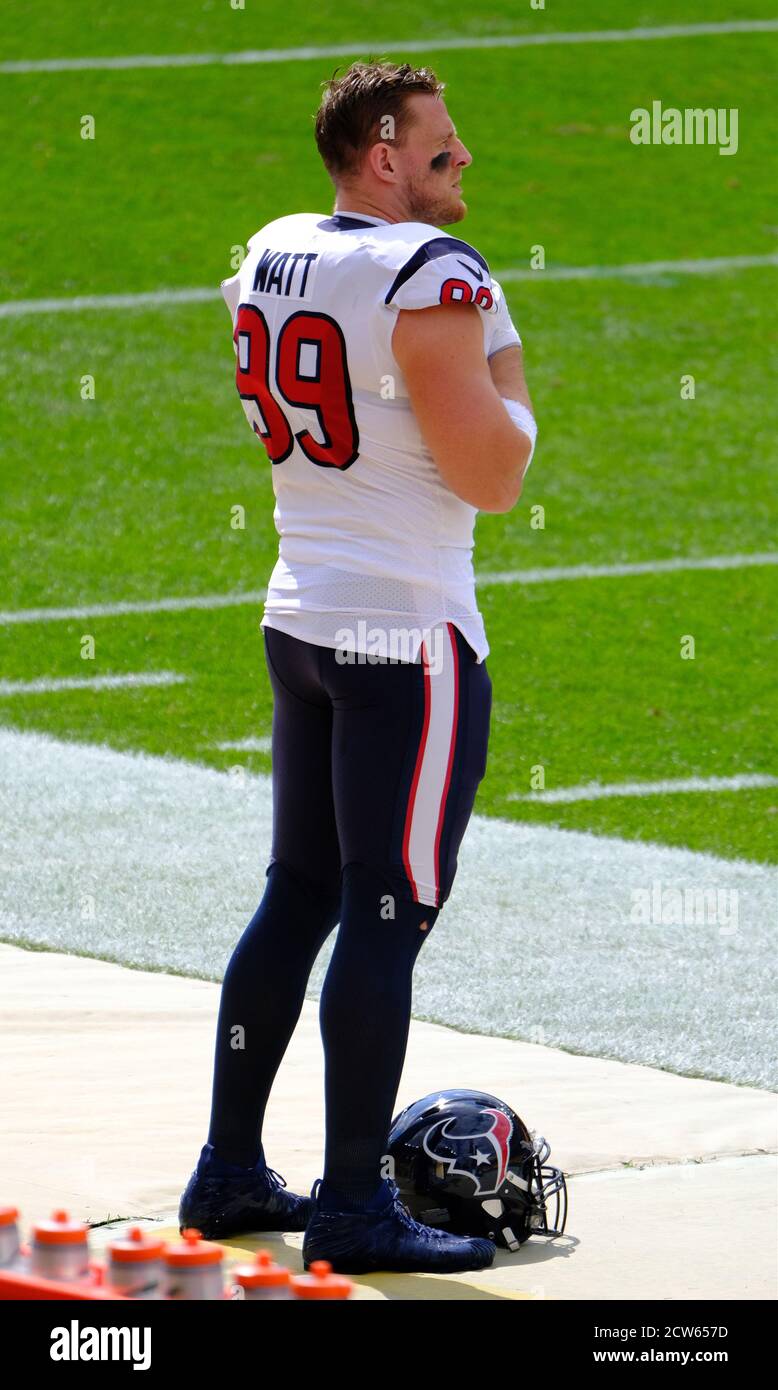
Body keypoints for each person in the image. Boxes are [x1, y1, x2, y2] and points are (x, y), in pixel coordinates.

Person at [179, 59, 536, 1275]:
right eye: (440, 142)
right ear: (380, 154)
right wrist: (505, 360)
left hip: (301, 614)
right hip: (409, 636)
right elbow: (494, 474)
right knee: (386, 915)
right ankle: (347, 1205)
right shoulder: (435, 275)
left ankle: (229, 1167)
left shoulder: (274, 247)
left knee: (300, 894)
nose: (462, 157)